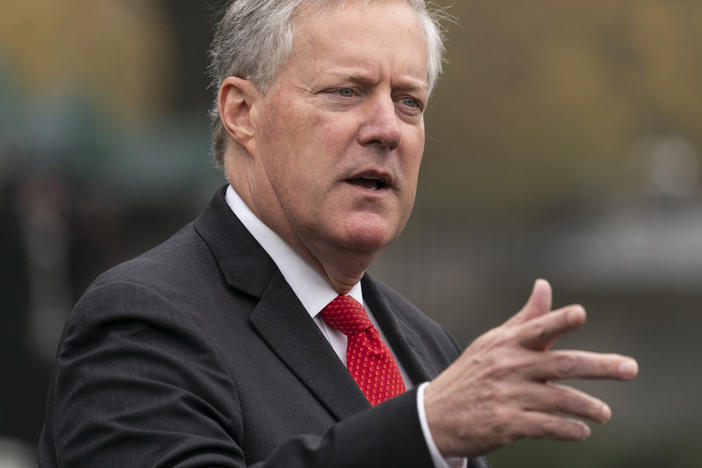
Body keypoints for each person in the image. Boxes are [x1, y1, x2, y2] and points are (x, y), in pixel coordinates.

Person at [38, 1, 639, 467]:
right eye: (347, 92)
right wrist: (424, 430)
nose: (387, 129)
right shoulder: (140, 322)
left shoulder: (431, 349)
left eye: (409, 102)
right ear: (243, 112)